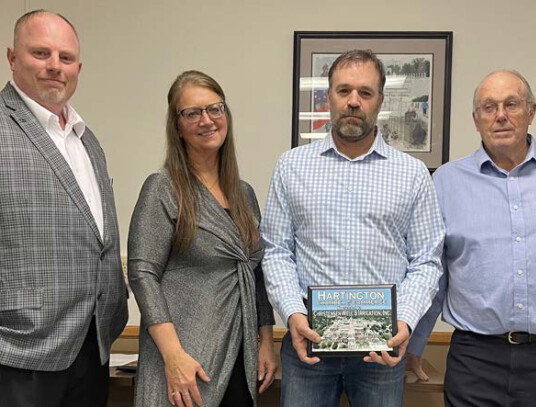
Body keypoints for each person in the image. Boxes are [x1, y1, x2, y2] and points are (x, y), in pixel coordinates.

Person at [261, 49, 445, 407]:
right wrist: (292, 313)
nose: (353, 102)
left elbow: (426, 260)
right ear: (328, 96)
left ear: (380, 100)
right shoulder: (291, 167)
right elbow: (276, 251)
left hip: (381, 351)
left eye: (365, 92)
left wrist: (404, 322)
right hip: (307, 345)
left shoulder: (412, 174)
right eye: (344, 91)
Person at [0, 10, 128, 407]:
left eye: (66, 58)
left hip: (92, 346)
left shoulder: (85, 139)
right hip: (19, 352)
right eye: (41, 53)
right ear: (12, 58)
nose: (55, 66)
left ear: (78, 67)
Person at [128, 70, 276, 407]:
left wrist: (266, 342)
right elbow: (142, 274)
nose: (206, 120)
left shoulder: (244, 194)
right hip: (185, 355)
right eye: (192, 113)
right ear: (177, 126)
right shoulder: (163, 188)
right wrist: (173, 355)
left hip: (240, 351)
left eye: (215, 109)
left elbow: (254, 273)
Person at [408, 70, 536, 406]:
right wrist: (415, 345)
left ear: (531, 112)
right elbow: (433, 274)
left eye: (511, 104)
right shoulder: (446, 183)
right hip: (475, 360)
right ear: (476, 119)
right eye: (488, 107)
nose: (500, 115)